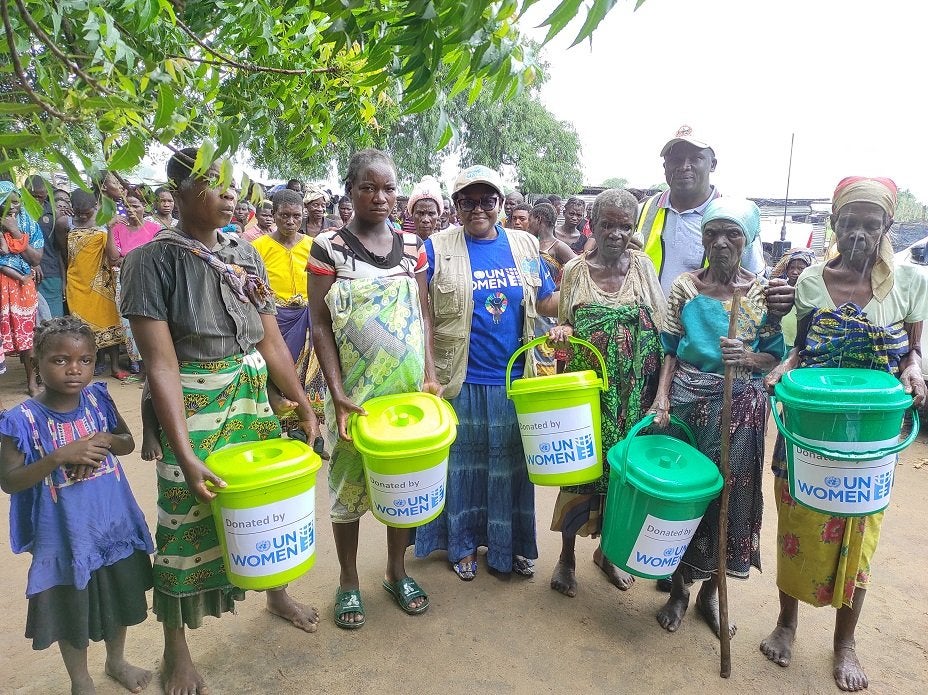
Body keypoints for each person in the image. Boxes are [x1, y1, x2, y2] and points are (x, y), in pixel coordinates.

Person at [121, 147, 322, 695]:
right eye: (214, 184)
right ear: (181, 193)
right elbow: (160, 363)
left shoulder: (245, 254)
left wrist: (301, 400)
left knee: (263, 501)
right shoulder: (150, 262)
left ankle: (275, 592)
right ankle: (176, 651)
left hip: (251, 395)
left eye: (234, 184)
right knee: (185, 521)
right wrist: (183, 453)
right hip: (192, 405)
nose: (230, 194)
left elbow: (272, 338)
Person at [759, 177, 927, 692]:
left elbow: (911, 352)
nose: (857, 234)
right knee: (796, 522)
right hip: (809, 427)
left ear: (886, 229)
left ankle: (845, 642)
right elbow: (797, 350)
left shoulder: (911, 283)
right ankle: (787, 624)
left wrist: (914, 372)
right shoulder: (809, 281)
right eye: (848, 223)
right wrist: (780, 368)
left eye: (870, 225)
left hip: (870, 438)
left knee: (858, 533)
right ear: (833, 225)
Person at [308, 148, 440, 629]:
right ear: (351, 191)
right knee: (347, 488)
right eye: (369, 187)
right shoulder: (328, 247)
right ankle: (347, 581)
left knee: (402, 484)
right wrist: (337, 391)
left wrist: (428, 373)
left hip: (406, 392)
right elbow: (319, 325)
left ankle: (396, 571)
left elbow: (423, 315)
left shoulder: (413, 245)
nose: (380, 197)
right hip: (353, 396)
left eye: (388, 188)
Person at [414, 164, 558, 580]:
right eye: (467, 201)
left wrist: (579, 299)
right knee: (462, 468)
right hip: (459, 380)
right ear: (455, 206)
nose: (478, 208)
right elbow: (423, 316)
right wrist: (429, 373)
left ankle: (507, 547)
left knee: (512, 469)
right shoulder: (436, 248)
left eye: (487, 200)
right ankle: (461, 546)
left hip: (514, 382)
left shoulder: (525, 246)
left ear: (500, 203)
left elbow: (544, 301)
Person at [651, 197, 785, 638]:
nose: (722, 242)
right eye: (713, 233)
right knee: (682, 497)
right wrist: (662, 399)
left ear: (746, 241)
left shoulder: (761, 292)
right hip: (688, 403)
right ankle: (677, 589)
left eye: (733, 235)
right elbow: (670, 349)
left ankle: (711, 591)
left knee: (729, 498)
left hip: (740, 409)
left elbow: (774, 358)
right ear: (703, 239)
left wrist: (748, 355)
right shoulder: (685, 288)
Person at [0, 316, 154, 695]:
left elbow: (127, 442)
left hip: (111, 522)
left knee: (119, 597)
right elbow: (9, 480)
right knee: (72, 610)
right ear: (37, 362)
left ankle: (116, 660)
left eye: (85, 360)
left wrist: (100, 442)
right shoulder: (21, 421)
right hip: (65, 536)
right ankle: (80, 680)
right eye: (60, 360)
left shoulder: (98, 399)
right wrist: (59, 456)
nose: (75, 369)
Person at [546, 189, 666, 598]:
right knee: (579, 474)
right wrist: (562, 337)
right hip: (589, 396)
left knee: (622, 476)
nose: (616, 233)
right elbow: (563, 339)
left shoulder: (644, 268)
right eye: (607, 224)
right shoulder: (575, 271)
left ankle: (610, 553)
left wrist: (658, 394)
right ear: (591, 226)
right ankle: (566, 558)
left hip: (634, 396)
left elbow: (663, 330)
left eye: (625, 226)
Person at [635, 127, 766, 296]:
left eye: (696, 158)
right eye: (676, 159)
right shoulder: (642, 212)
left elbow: (757, 281)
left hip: (709, 322)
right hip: (647, 321)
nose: (684, 166)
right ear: (665, 166)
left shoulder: (736, 218)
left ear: (712, 164)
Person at [252, 189, 325, 424]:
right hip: (275, 319)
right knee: (276, 371)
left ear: (303, 215)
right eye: (284, 215)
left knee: (309, 375)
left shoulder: (313, 246)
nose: (290, 221)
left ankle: (309, 434)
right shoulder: (259, 247)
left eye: (296, 215)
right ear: (273, 215)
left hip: (308, 317)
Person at [60, 190, 127, 381]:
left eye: (86, 213)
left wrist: (110, 228)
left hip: (101, 283)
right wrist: (65, 280)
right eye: (78, 212)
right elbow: (63, 254)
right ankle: (92, 364)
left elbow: (113, 257)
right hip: (76, 282)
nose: (82, 216)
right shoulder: (64, 223)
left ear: (95, 207)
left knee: (109, 321)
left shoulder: (106, 221)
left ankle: (114, 366)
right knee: (82, 327)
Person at [110, 188, 161, 379]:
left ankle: (151, 371)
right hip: (125, 281)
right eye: (127, 206)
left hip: (149, 280)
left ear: (144, 207)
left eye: (135, 205)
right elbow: (113, 257)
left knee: (151, 321)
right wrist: (109, 228)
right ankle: (140, 368)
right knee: (130, 324)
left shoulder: (154, 229)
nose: (130, 210)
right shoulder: (118, 228)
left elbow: (156, 256)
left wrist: (130, 258)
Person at [0, 181, 44, 393]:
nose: (14, 207)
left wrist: (15, 232)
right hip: (3, 284)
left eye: (16, 202)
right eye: (7, 204)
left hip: (23, 285)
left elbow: (35, 258)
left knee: (28, 336)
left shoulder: (30, 225)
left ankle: (31, 382)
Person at [527, 202, 575, 376]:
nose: (528, 223)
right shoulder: (528, 243)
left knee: (545, 349)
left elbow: (578, 269)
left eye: (530, 219)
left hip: (546, 306)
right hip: (529, 305)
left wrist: (555, 288)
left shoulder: (557, 246)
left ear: (539, 220)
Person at [26, 176, 64, 319]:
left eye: (41, 197)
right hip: (23, 274)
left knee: (54, 322)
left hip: (50, 274)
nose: (37, 200)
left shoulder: (54, 214)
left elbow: (59, 249)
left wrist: (63, 278)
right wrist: (33, 263)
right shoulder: (16, 211)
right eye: (33, 196)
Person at [769, 247, 816, 347]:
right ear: (787, 269)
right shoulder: (780, 288)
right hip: (780, 338)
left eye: (800, 268)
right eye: (792, 268)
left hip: (799, 339)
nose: (795, 272)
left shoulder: (810, 292)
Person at [407, 176, 443, 240]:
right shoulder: (405, 243)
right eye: (420, 213)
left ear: (438, 215)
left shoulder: (445, 244)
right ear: (412, 214)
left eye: (431, 213)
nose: (425, 220)